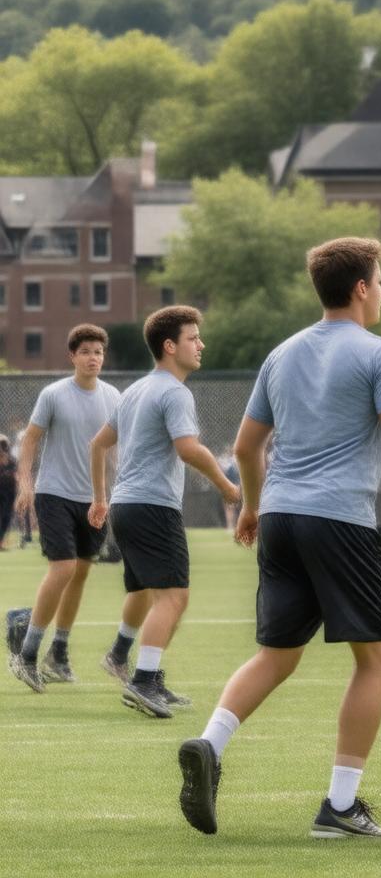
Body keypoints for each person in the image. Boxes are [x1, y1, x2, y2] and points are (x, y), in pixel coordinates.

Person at [177, 237, 381, 840]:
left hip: (283, 519)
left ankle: (210, 743)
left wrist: (254, 508)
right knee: (378, 657)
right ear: (362, 288)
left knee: (278, 653)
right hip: (341, 519)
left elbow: (245, 447)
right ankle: (340, 807)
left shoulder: (282, 353)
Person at [88, 306, 240, 719]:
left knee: (154, 595)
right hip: (153, 506)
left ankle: (145, 674)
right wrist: (228, 486)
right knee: (174, 597)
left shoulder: (136, 390)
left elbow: (99, 444)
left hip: (127, 505)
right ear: (170, 346)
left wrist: (102, 498)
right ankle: (141, 681)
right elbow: (188, 448)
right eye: (193, 338)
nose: (201, 344)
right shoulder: (174, 392)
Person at [8, 325, 121, 692]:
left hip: (95, 500)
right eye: (86, 351)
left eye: (98, 352)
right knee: (64, 568)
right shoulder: (53, 394)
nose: (93, 358)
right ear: (72, 356)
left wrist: (109, 495)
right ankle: (26, 654)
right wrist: (25, 484)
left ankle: (58, 652)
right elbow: (30, 440)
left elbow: (116, 450)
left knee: (80, 574)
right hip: (54, 494)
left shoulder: (114, 397)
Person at [0, 436, 17, 552]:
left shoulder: (12, 461)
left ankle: (0, 543)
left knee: (6, 517)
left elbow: (17, 476)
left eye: (4, 446)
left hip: (9, 493)